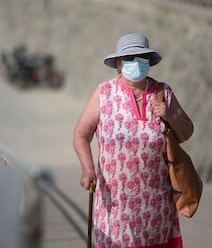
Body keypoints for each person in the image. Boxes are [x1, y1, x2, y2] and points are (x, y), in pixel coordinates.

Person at [73, 33, 194, 247]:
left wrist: (170, 115)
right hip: (115, 207)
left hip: (157, 210)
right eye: (129, 58)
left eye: (141, 57)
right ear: (119, 64)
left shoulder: (163, 92)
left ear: (148, 61)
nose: (135, 63)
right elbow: (82, 134)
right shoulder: (105, 93)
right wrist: (88, 169)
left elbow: (186, 133)